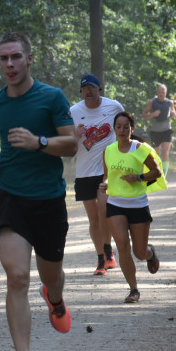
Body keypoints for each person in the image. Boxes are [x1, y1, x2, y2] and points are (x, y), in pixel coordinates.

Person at [0, 31, 77, 351]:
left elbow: (72, 143)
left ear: (28, 59)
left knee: (51, 276)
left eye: (16, 57)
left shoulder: (51, 97)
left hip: (48, 200)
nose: (10, 65)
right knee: (17, 277)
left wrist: (39, 142)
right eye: (4, 59)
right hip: (12, 198)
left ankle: (55, 297)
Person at [100, 111, 165, 304]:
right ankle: (133, 289)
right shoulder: (109, 150)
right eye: (118, 127)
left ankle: (149, 253)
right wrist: (104, 183)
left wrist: (138, 177)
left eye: (125, 127)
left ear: (132, 129)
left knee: (139, 252)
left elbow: (157, 172)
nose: (121, 130)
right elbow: (106, 175)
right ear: (114, 129)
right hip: (116, 204)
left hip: (137, 204)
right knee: (121, 245)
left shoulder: (140, 148)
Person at [70, 73, 124, 275]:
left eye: (92, 87)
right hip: (84, 171)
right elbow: (66, 142)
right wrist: (75, 135)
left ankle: (108, 252)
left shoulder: (114, 106)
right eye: (85, 89)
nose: (89, 91)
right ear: (81, 92)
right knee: (93, 219)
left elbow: (124, 128)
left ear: (99, 88)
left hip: (107, 169)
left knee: (104, 209)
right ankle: (101, 258)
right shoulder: (74, 111)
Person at [141, 83, 176, 166]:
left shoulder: (170, 102)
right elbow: (144, 115)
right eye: (159, 92)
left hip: (167, 129)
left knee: (166, 152)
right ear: (157, 93)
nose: (161, 94)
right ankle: (158, 171)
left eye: (163, 92)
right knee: (157, 153)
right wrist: (153, 114)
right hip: (155, 131)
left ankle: (164, 174)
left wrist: (173, 113)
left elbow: (174, 114)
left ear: (166, 92)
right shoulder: (152, 102)